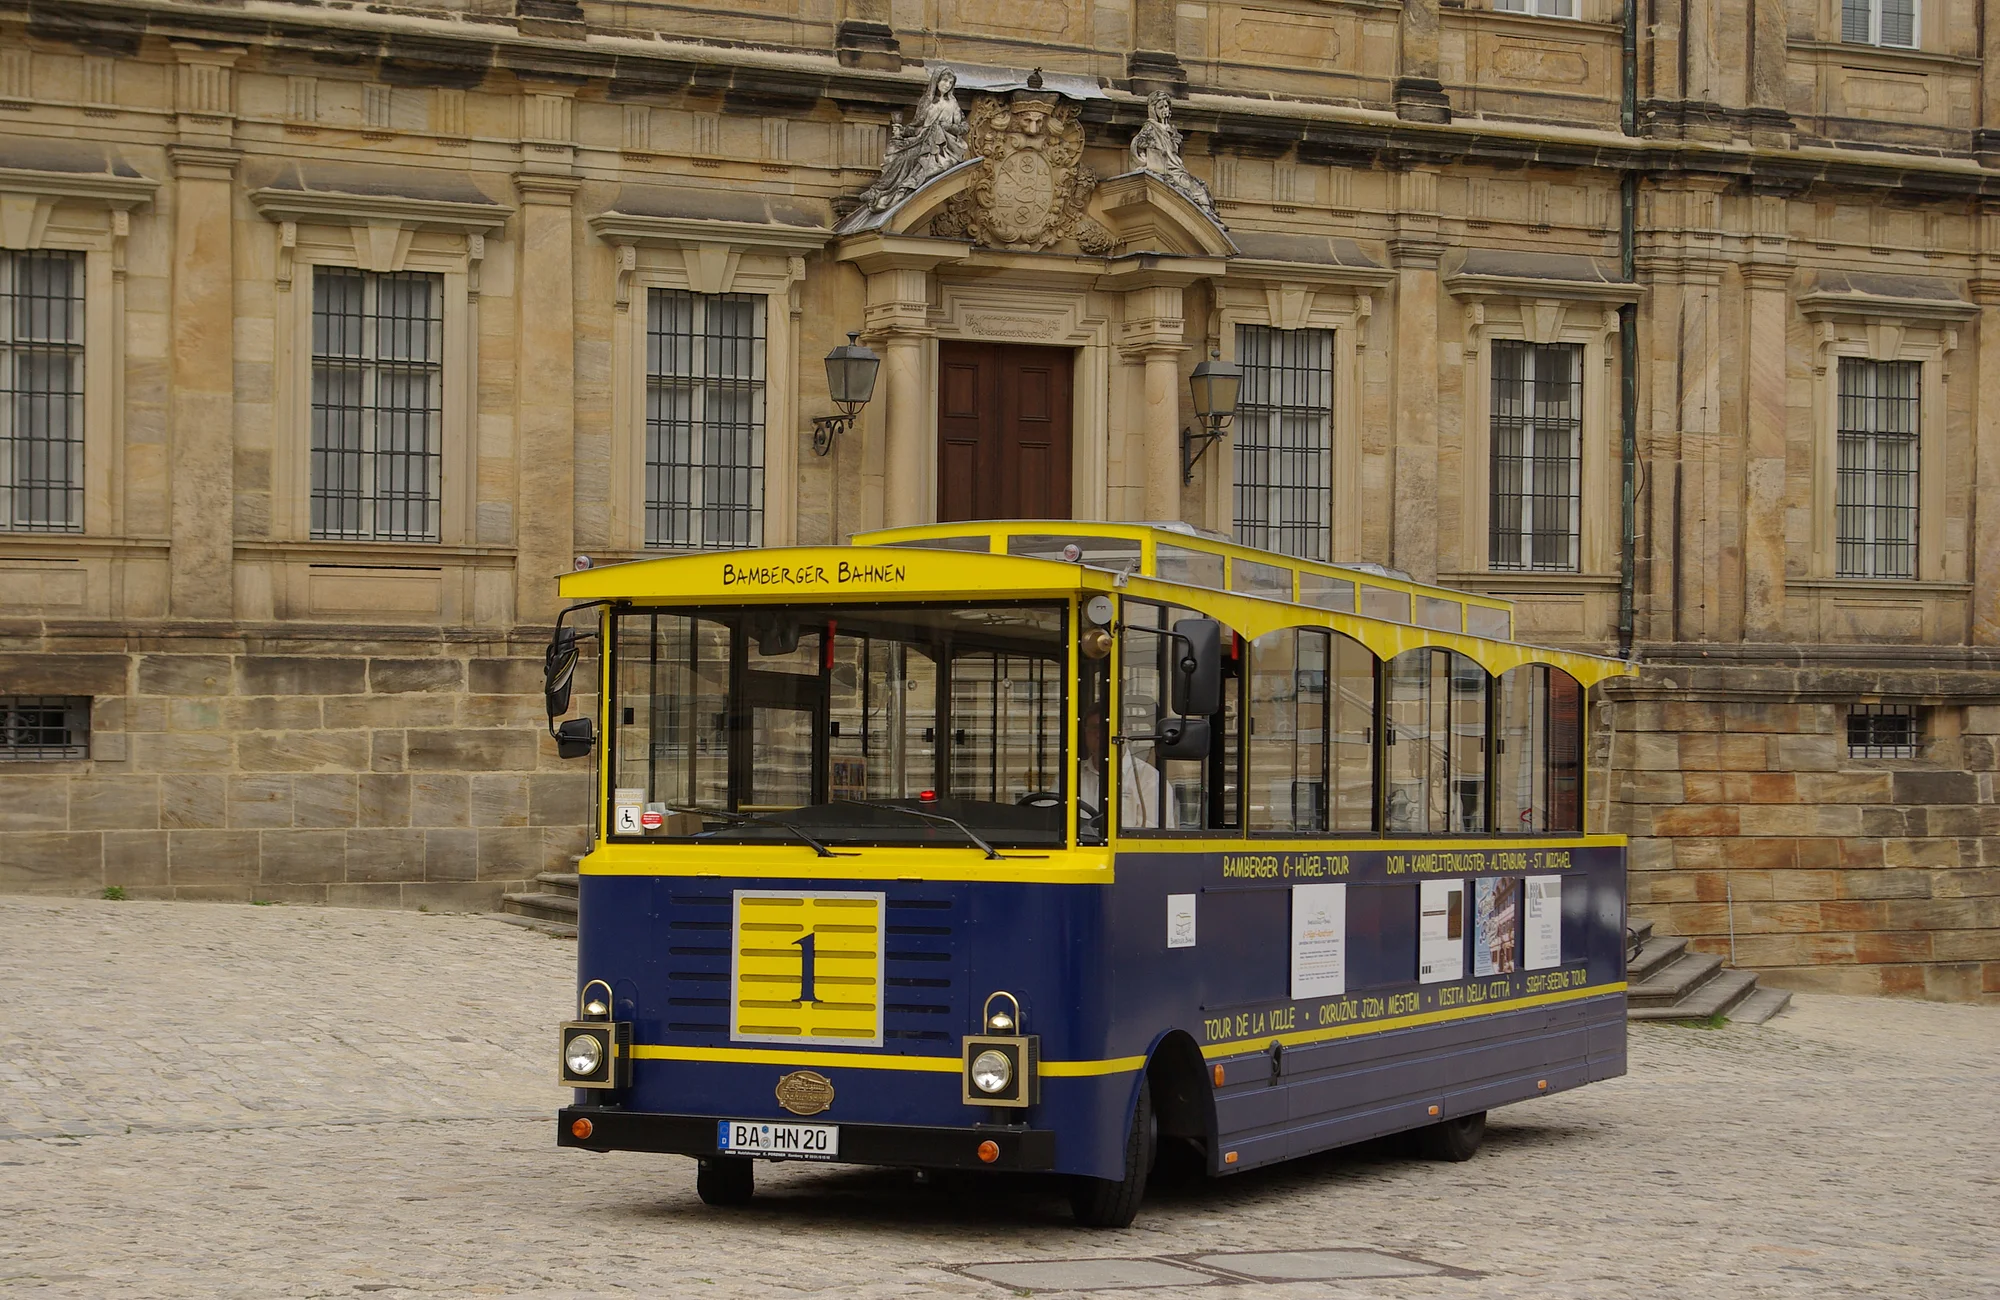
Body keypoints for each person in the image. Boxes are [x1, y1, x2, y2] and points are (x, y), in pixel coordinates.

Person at [1077, 708, 1177, 831]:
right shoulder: (1070, 775)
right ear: (1085, 734)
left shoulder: (1149, 780)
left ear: (1123, 732)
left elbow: (1152, 839)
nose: (1099, 734)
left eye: (1106, 727)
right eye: (1093, 728)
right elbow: (1051, 817)